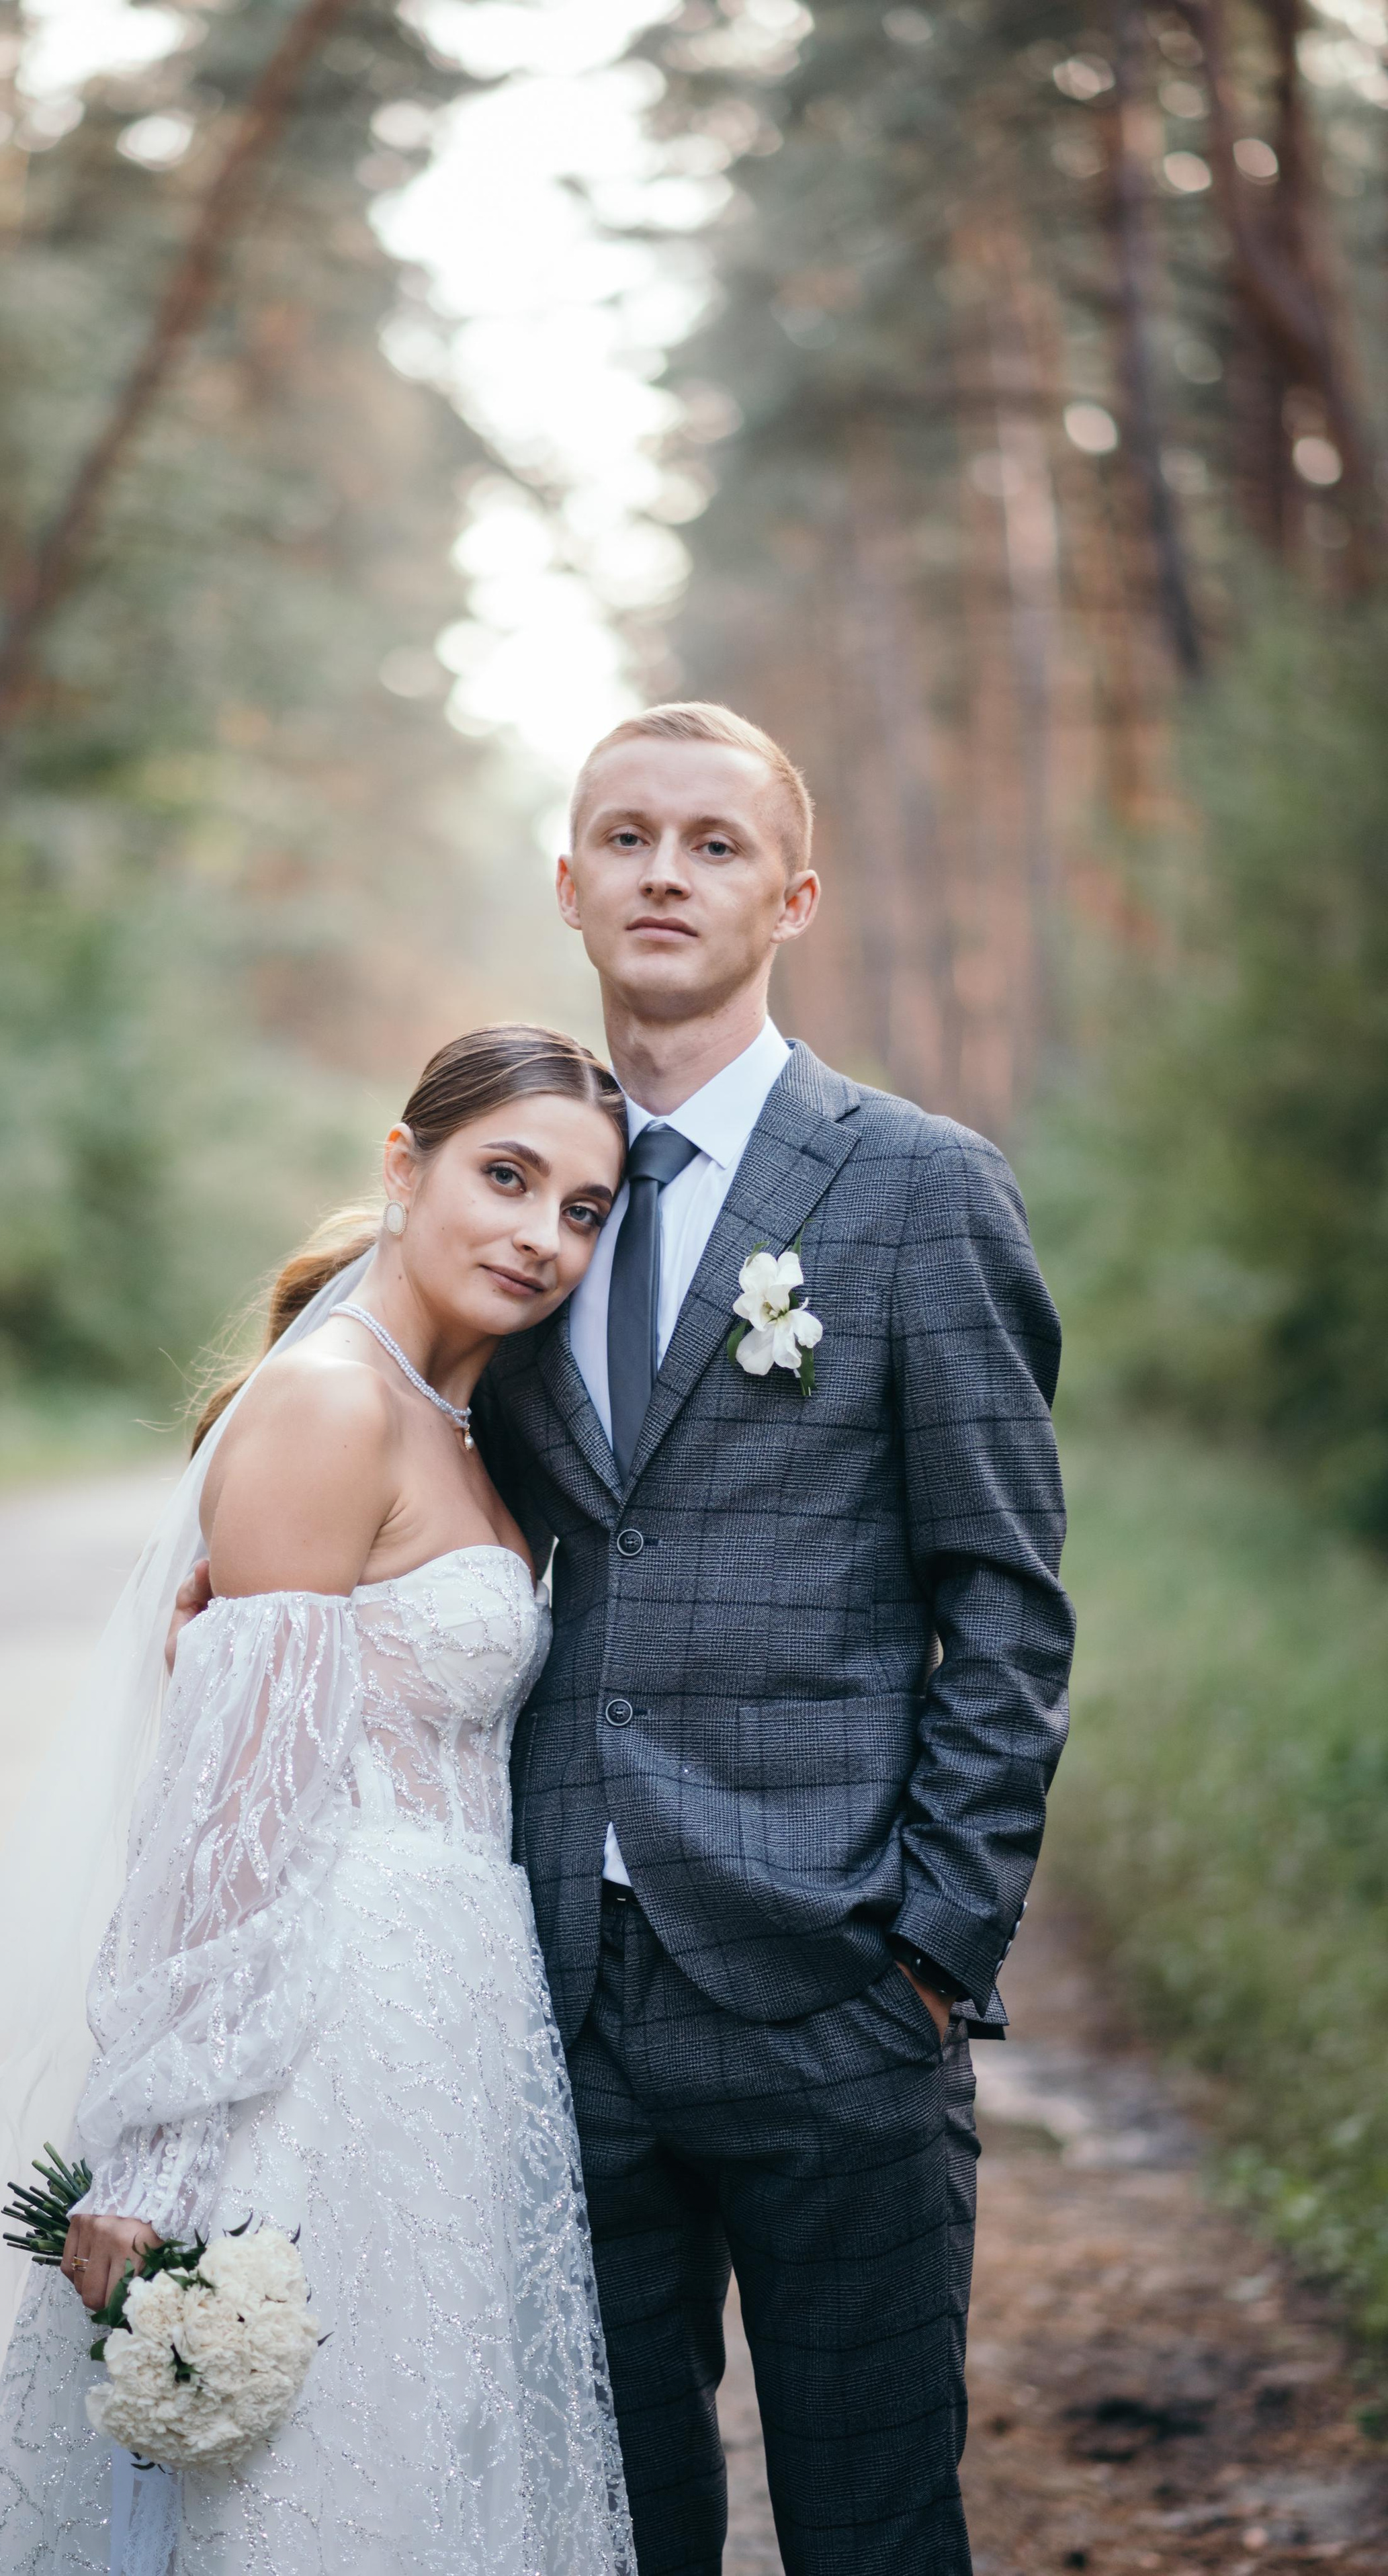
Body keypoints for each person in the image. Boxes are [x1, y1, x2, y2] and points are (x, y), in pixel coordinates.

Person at [0, 1025, 636, 2576]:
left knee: (418, 2472)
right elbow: (229, 1830)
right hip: (317, 2038)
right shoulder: (331, 1406)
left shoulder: (466, 1421)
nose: (540, 1235)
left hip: (452, 2034)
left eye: (581, 1210)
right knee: (287, 2489)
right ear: (403, 1171)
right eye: (506, 1177)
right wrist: (160, 2167)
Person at [467, 703, 1076, 2576]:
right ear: (568, 882)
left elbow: (1006, 1596)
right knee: (613, 2522)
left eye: (714, 843)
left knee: (873, 2528)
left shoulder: (913, 1187)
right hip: (566, 1986)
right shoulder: (522, 1203)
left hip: (836, 1985)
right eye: (627, 836)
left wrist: (930, 1947)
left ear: (792, 893)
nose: (666, 869)